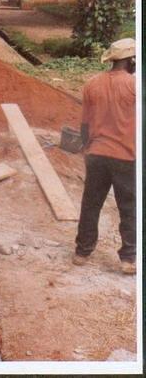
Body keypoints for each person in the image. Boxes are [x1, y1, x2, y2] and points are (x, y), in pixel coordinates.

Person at [73, 38, 136, 274]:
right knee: (129, 207)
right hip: (126, 157)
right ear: (131, 60)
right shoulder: (134, 86)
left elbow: (85, 125)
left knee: (91, 204)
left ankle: (82, 251)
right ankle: (128, 259)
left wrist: (87, 148)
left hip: (97, 154)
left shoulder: (92, 84)